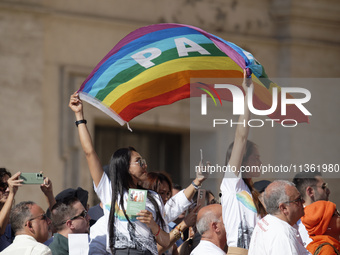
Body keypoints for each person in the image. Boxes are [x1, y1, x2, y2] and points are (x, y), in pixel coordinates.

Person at [69, 92, 170, 255]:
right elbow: (89, 152)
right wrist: (79, 115)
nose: (145, 165)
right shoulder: (109, 192)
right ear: (124, 166)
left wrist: (153, 225)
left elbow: (165, 241)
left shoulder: (153, 197)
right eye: (139, 161)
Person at [219, 71, 266, 253]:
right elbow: (241, 137)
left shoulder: (250, 191)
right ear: (243, 160)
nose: (260, 162)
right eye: (256, 157)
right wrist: (248, 96)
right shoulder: (232, 184)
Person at [143, 171, 203, 254]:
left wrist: (197, 182)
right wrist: (184, 224)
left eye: (168, 193)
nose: (166, 198)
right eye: (162, 193)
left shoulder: (162, 214)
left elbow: (179, 202)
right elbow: (157, 249)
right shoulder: (142, 217)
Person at [248, 180, 311, 255]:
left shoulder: (266, 221)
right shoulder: (283, 235)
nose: (303, 201)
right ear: (283, 208)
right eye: (298, 200)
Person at [293, 171, 331, 246]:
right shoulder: (297, 224)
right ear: (310, 191)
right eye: (323, 187)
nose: (328, 191)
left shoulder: (327, 216)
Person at [0, 168, 22, 251]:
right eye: (3, 185)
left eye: (9, 185)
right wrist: (12, 194)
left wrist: (48, 193)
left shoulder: (13, 217)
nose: (8, 189)